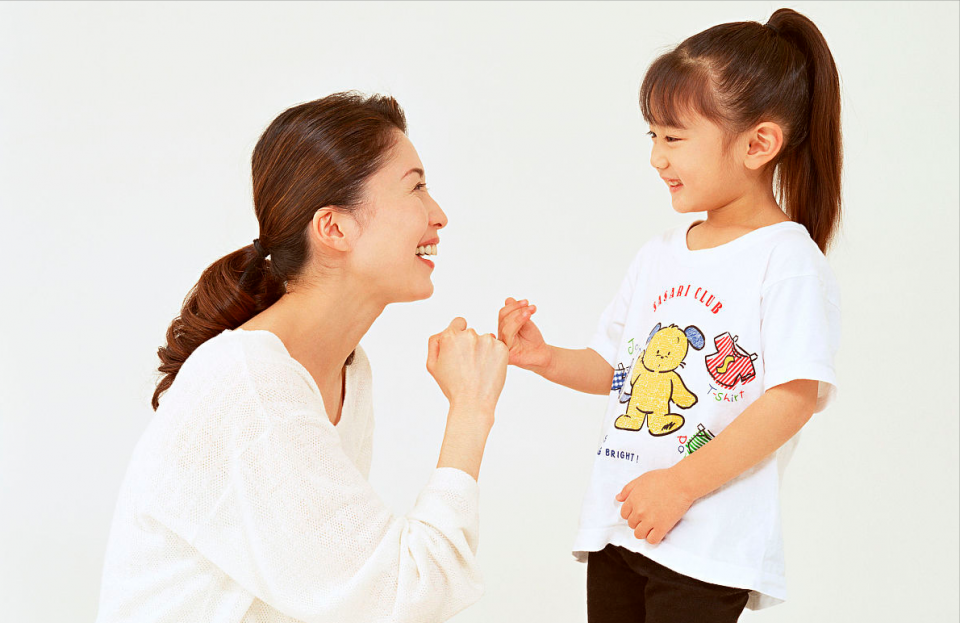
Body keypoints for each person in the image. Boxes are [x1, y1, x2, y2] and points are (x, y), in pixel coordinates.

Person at [96, 92, 509, 623]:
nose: (439, 214)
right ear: (334, 227)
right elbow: (403, 594)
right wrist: (472, 408)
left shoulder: (347, 370)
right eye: (416, 187)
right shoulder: (250, 385)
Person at [497, 8, 842, 622]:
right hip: (621, 521)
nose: (656, 158)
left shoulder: (787, 259)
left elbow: (793, 399)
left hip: (705, 542)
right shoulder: (659, 254)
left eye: (674, 138)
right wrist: (545, 358)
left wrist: (680, 486)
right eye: (652, 136)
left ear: (758, 144)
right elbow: (617, 368)